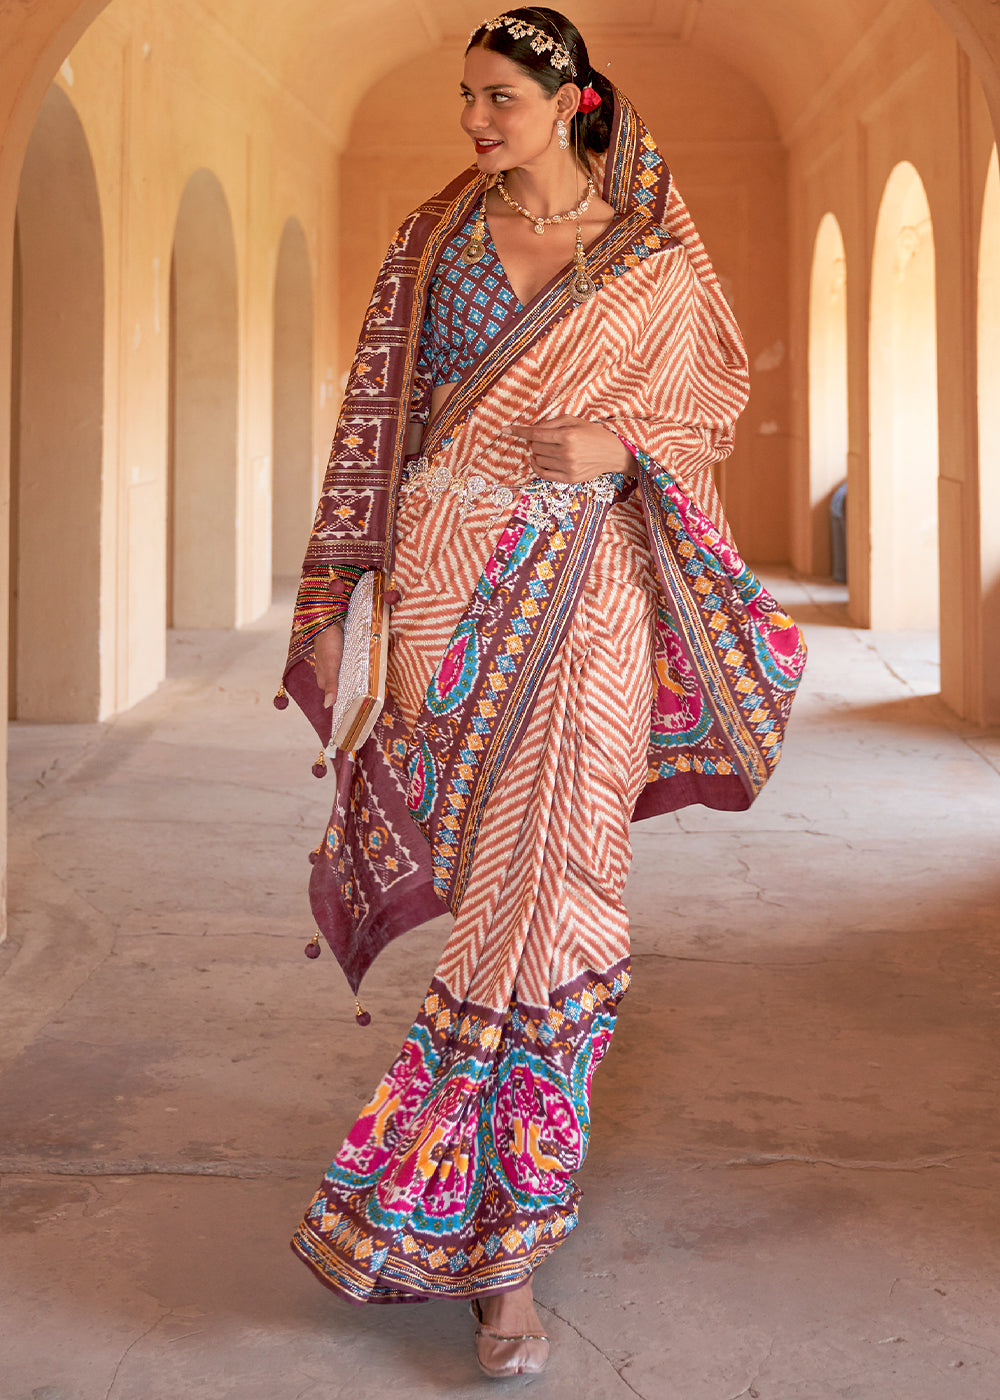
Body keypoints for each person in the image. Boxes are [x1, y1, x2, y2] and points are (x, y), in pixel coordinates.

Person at [275, 6, 806, 1379]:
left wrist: (622, 443)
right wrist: (335, 599)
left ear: (574, 98)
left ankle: (497, 1251)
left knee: (553, 896)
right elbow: (373, 417)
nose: (476, 122)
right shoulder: (434, 236)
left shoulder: (649, 256)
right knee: (490, 888)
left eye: (501, 97)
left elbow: (716, 403)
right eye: (467, 97)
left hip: (595, 596)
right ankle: (468, 1217)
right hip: (450, 588)